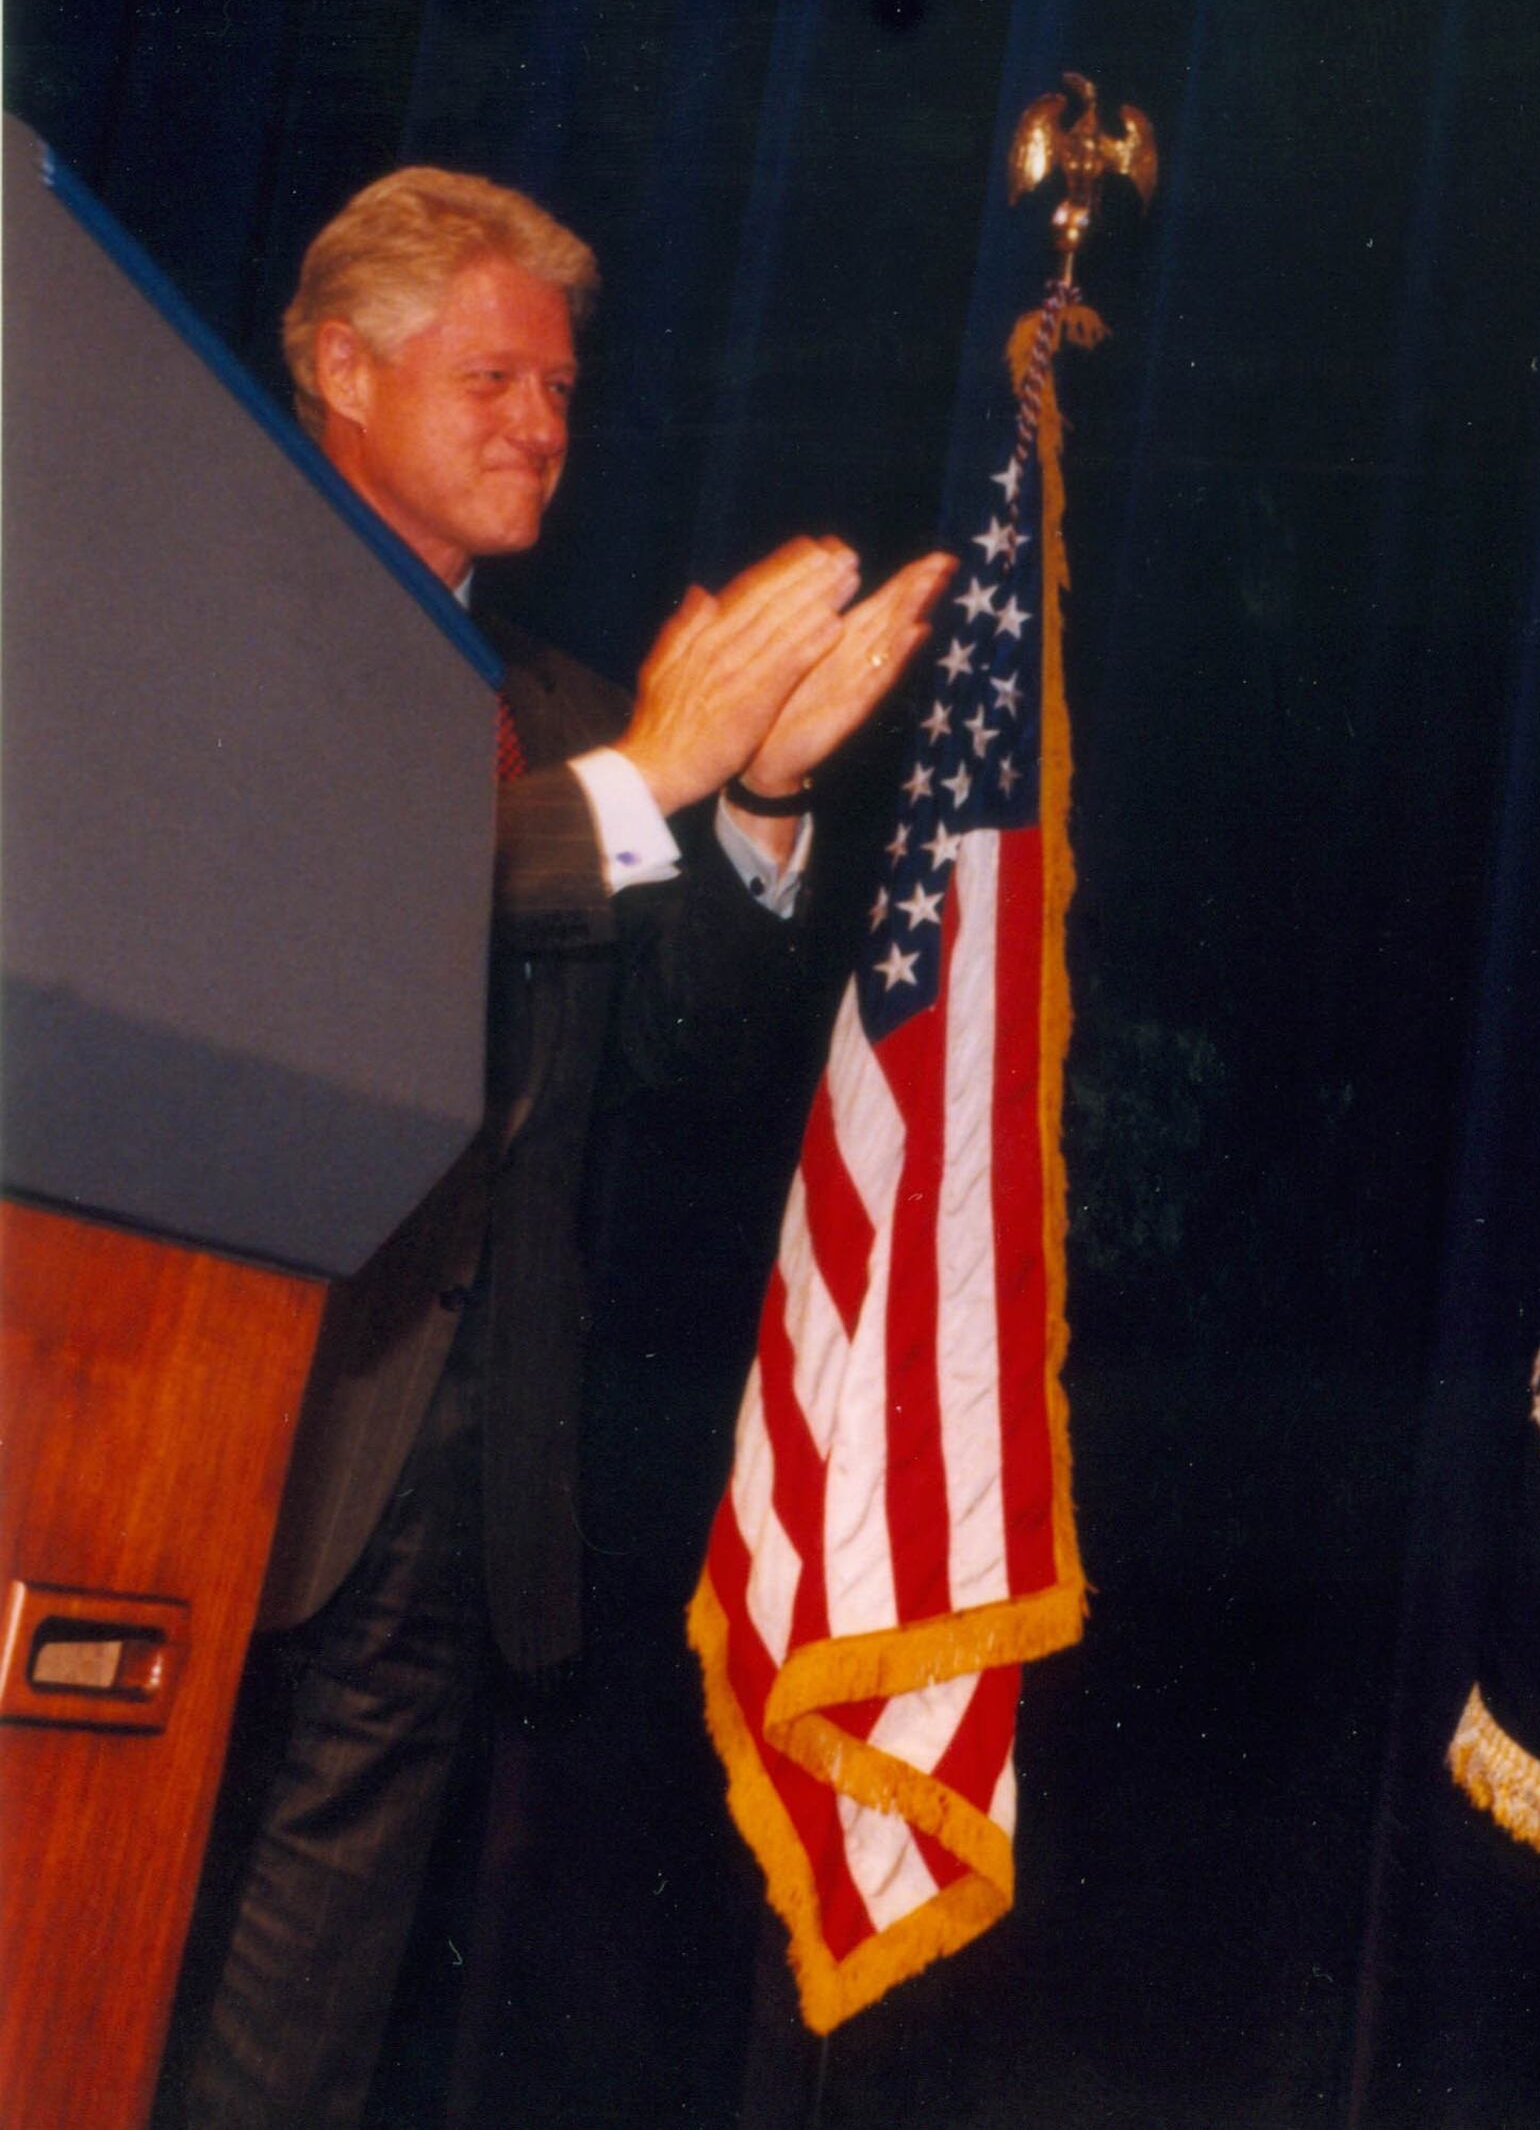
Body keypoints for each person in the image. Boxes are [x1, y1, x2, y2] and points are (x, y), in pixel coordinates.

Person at [165, 167, 955, 2130]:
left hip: (446, 1486)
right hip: (197, 1434)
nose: (545, 426)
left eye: (565, 394)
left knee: (300, 2040)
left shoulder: (578, 710)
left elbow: (687, 1054)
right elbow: (316, 901)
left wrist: (762, 801)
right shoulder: (211, 604)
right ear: (340, 364)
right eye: (497, 376)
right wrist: (648, 784)